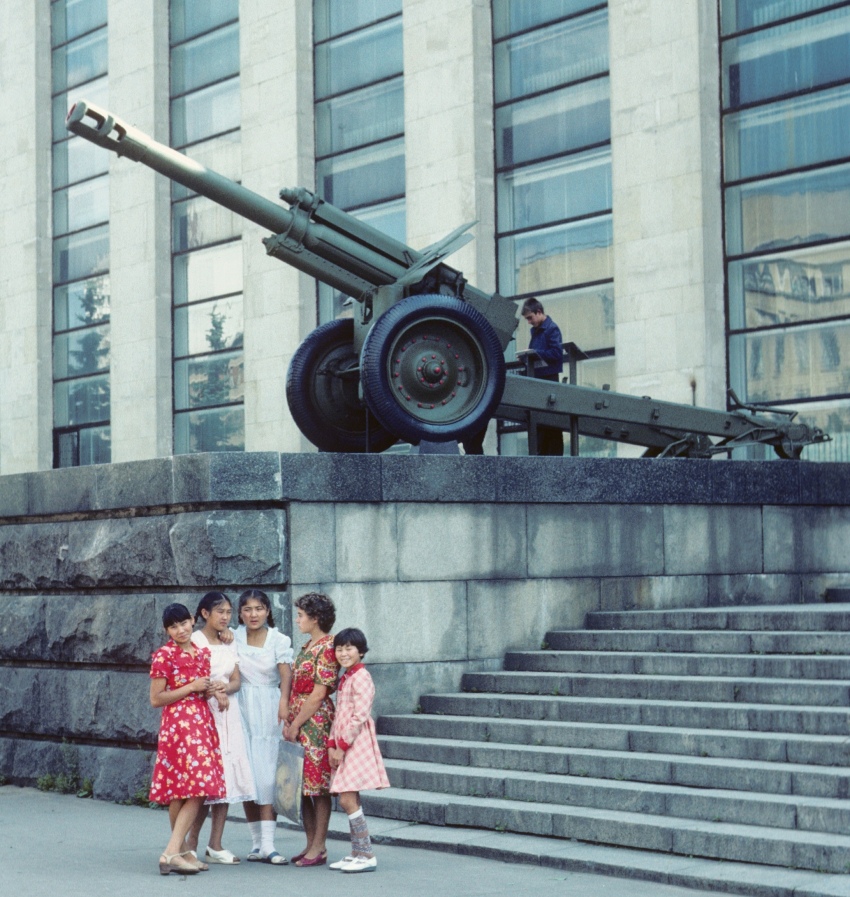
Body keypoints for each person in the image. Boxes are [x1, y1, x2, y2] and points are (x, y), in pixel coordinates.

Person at [149, 602, 225, 876]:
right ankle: (172, 851)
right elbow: (156, 698)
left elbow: (201, 690)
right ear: (166, 630)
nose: (180, 630)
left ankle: (179, 852)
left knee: (189, 790)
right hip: (179, 726)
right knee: (193, 788)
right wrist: (190, 687)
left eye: (183, 623)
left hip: (201, 722)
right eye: (173, 626)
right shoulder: (163, 656)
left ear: (193, 620)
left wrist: (214, 691)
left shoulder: (202, 653)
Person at [185, 591, 256, 866]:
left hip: (229, 714)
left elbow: (236, 680)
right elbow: (191, 677)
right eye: (220, 612)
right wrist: (213, 690)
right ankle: (190, 842)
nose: (226, 617)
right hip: (205, 713)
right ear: (205, 614)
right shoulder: (195, 640)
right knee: (204, 780)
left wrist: (224, 687)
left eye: (228, 612)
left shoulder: (229, 641)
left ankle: (215, 844)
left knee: (225, 777)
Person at [234, 588, 293, 865]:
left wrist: (284, 701)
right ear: (240, 613)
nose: (253, 614)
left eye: (258, 608)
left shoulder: (278, 640)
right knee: (249, 776)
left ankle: (270, 844)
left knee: (269, 776)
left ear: (268, 611)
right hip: (241, 706)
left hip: (269, 706)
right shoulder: (233, 637)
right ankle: (256, 844)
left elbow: (285, 675)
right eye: (247, 609)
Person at [283, 591, 340, 867]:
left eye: (301, 615)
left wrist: (295, 724)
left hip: (315, 722)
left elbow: (318, 694)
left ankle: (319, 846)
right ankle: (310, 845)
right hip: (299, 719)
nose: (297, 620)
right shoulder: (307, 646)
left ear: (315, 618)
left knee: (318, 786)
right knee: (302, 786)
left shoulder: (328, 646)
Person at [327, 628, 390, 874]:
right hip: (343, 741)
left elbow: (359, 715)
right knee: (350, 797)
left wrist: (341, 746)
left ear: (361, 651)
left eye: (349, 648)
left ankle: (366, 853)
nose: (343, 653)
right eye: (339, 649)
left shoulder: (362, 677)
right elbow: (339, 715)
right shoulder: (347, 677)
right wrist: (332, 743)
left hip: (355, 742)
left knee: (346, 798)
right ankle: (358, 852)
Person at [520, 297, 565, 456]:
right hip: (538, 379)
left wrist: (536, 354)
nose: (529, 322)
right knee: (540, 422)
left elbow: (556, 353)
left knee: (550, 421)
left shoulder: (551, 329)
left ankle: (551, 453)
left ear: (539, 312)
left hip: (548, 379)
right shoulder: (538, 331)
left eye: (530, 318)